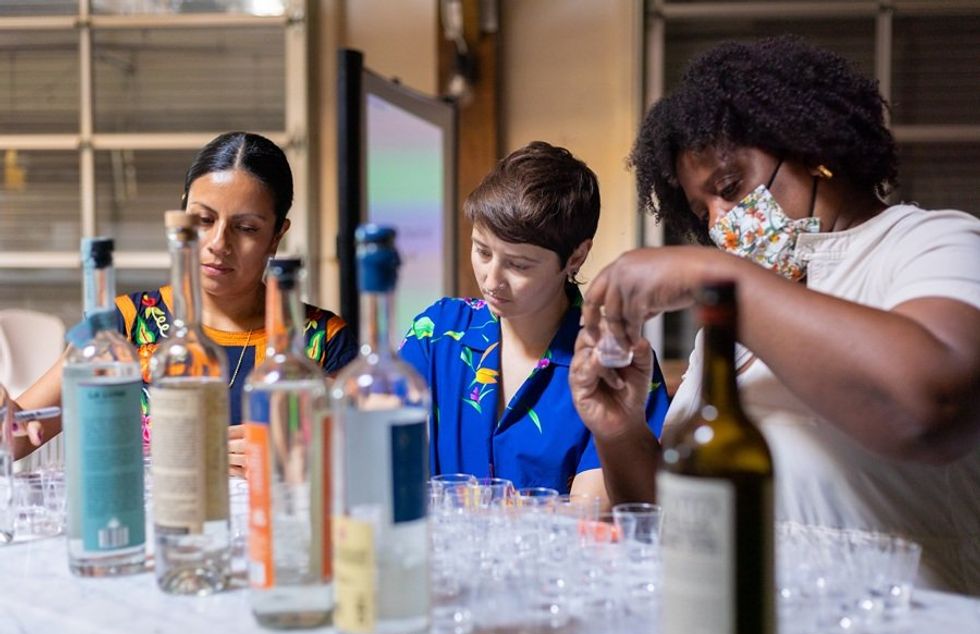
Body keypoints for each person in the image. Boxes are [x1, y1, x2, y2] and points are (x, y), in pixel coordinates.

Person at [568, 36, 980, 594]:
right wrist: (620, 430)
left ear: (811, 149)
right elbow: (683, 520)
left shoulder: (934, 242)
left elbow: (930, 406)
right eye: (701, 212)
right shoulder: (736, 316)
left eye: (730, 187)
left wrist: (714, 276)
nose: (719, 225)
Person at [12, 131, 359, 473]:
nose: (218, 243)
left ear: (276, 237)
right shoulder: (121, 325)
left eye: (247, 228)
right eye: (204, 220)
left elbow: (366, 460)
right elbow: (18, 436)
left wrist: (303, 455)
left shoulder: (320, 341)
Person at [399, 141, 671, 502]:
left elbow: (589, 518)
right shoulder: (437, 335)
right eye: (482, 251)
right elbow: (379, 457)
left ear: (576, 256)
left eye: (519, 265)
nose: (492, 279)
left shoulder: (612, 361)